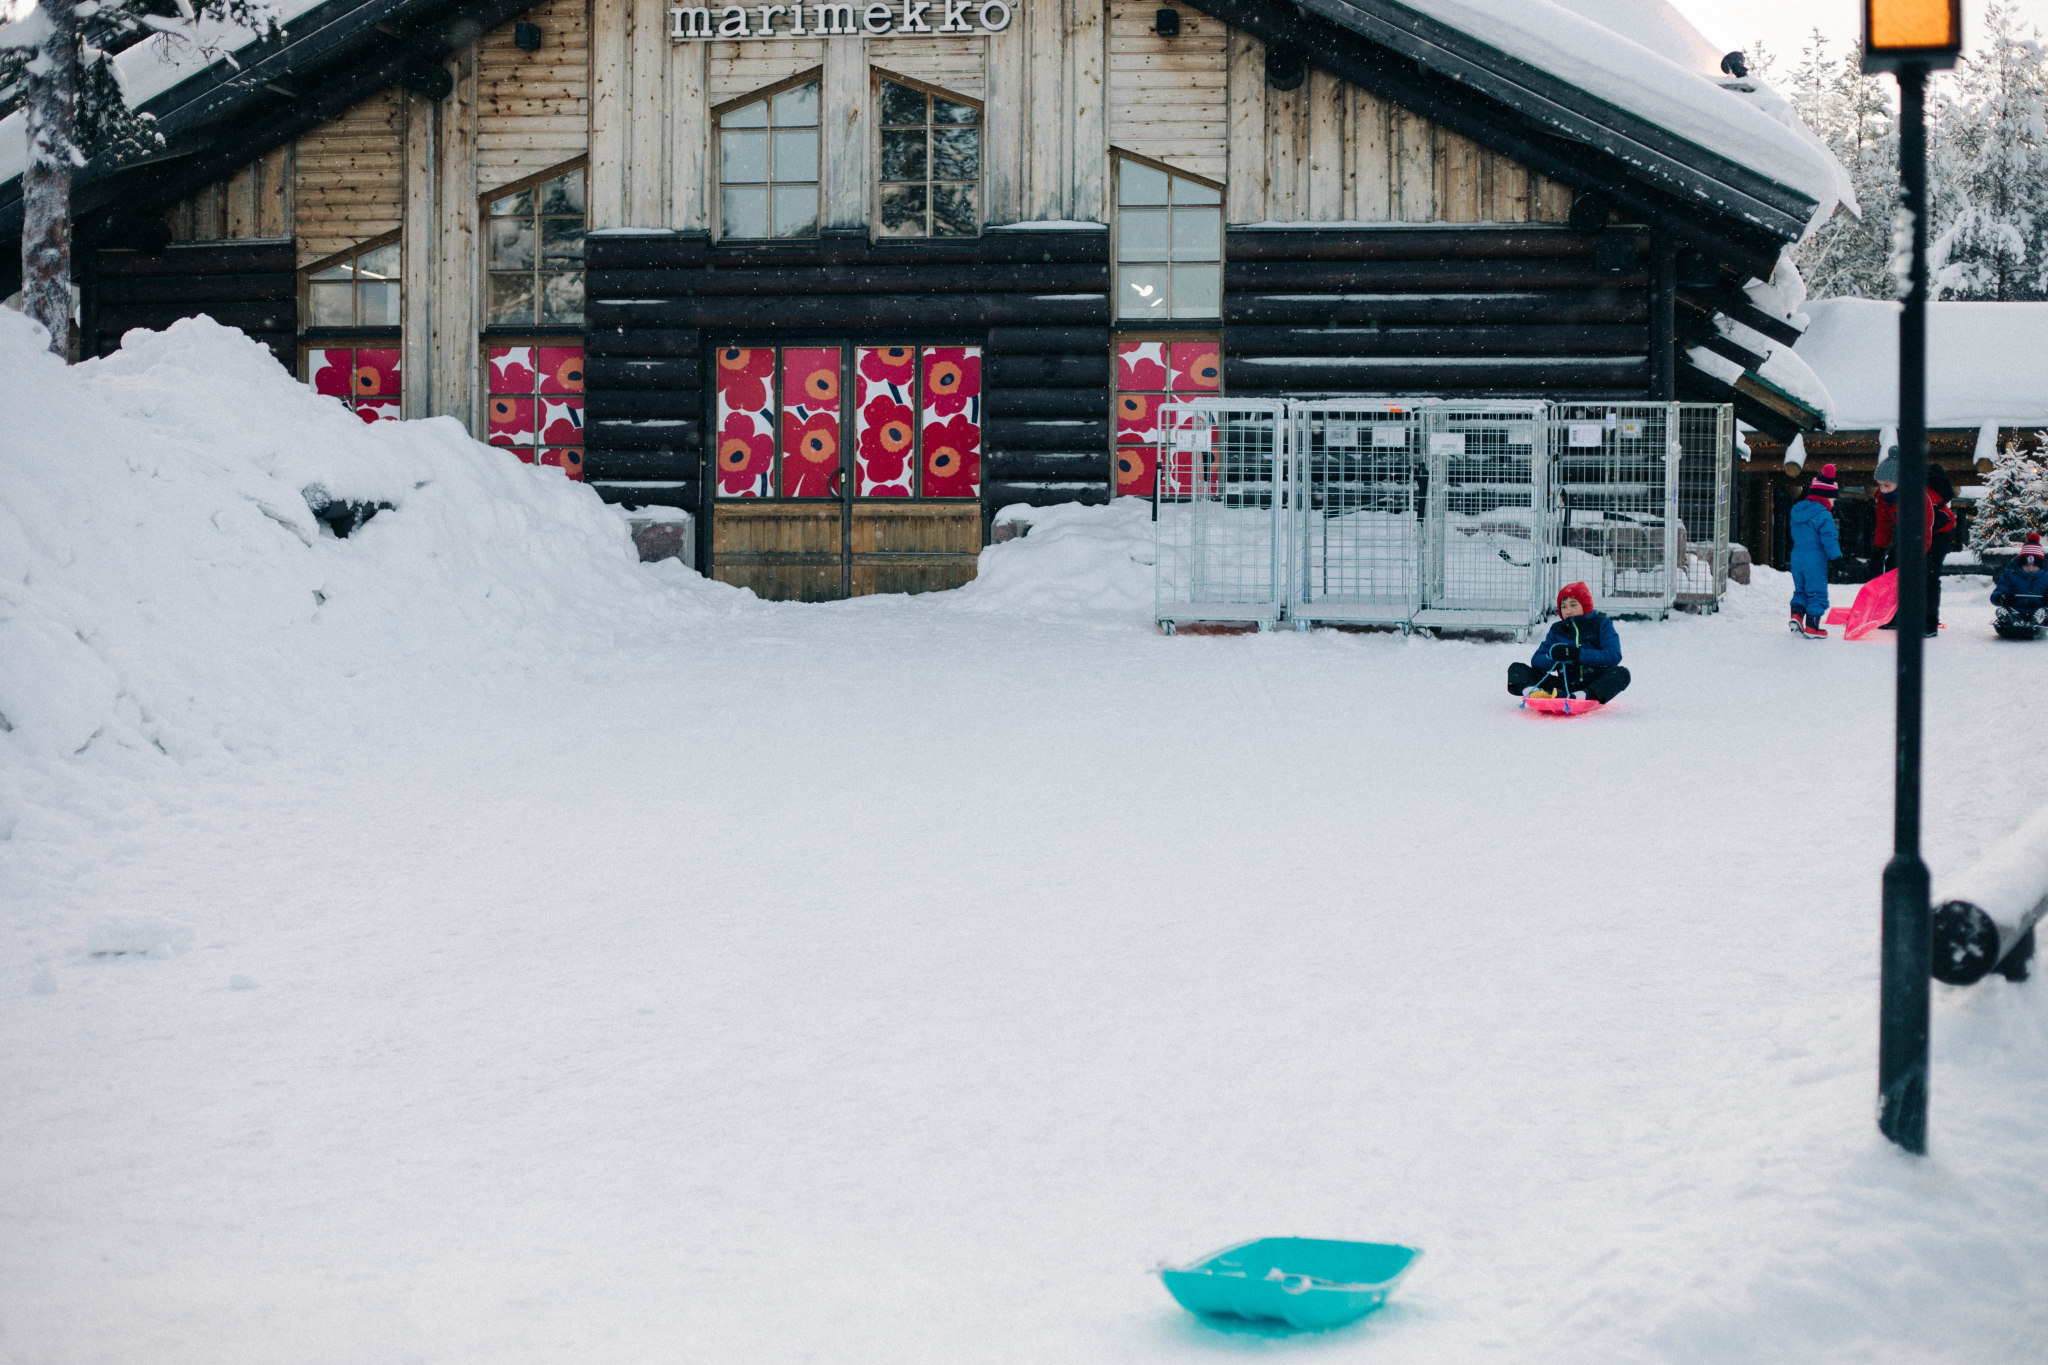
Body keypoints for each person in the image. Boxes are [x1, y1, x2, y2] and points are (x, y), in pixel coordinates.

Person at [1871, 446, 1954, 637]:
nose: (1882, 490)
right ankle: (1895, 616)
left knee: (1928, 574)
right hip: (1909, 533)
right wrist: (1878, 550)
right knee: (1893, 566)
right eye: (1880, 484)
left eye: (1887, 485)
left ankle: (1928, 622)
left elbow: (1924, 529)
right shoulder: (1883, 498)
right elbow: (1884, 525)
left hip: (1939, 531)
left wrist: (1918, 557)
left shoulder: (1918, 496)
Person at [1507, 582, 1631, 702]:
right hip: (1564, 685)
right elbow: (1536, 661)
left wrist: (1576, 654)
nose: (1568, 610)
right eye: (1564, 606)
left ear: (1585, 605)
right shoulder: (1557, 629)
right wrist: (1553, 657)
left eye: (1573, 605)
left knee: (1622, 673)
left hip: (1594, 683)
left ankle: (1581, 697)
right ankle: (1535, 693)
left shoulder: (1602, 625)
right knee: (1516, 669)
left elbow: (1613, 655)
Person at [1787, 463, 1843, 638]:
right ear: (1827, 496)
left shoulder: (1797, 511)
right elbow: (1829, 537)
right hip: (1815, 559)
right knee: (1816, 592)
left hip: (1797, 557)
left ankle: (1796, 614)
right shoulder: (1824, 515)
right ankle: (1812, 627)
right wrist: (1837, 557)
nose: (1833, 504)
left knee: (1801, 590)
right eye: (1833, 499)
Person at [1990, 533, 2048, 640]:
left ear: (2041, 565)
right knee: (2007, 611)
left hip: (2037, 610)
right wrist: (2002, 597)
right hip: (2016, 610)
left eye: (2034, 566)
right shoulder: (2011, 574)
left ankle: (2038, 620)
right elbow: (1998, 592)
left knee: (2044, 612)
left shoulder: (2046, 577)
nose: (2030, 569)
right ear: (2020, 564)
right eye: (2026, 565)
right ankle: (2008, 619)